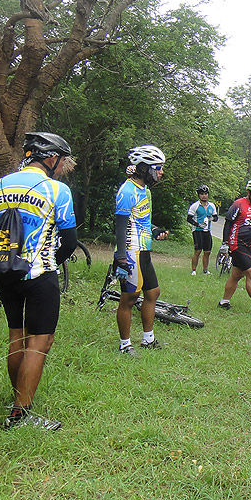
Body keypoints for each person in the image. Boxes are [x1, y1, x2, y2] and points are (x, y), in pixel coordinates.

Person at [0, 132, 77, 430]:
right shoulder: (57, 190)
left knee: (16, 336)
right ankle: (20, 414)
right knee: (40, 342)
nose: (63, 166)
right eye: (62, 160)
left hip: (5, 271)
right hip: (39, 274)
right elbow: (69, 241)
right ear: (51, 158)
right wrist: (50, 264)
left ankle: (17, 401)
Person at [114, 145, 170, 357]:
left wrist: (155, 231)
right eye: (158, 167)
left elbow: (141, 220)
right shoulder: (127, 190)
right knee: (129, 297)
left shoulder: (144, 191)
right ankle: (125, 344)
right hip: (131, 250)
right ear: (145, 168)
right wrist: (121, 257)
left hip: (144, 249)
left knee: (153, 292)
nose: (161, 172)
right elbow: (120, 226)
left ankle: (148, 339)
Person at [219, 179, 251, 314]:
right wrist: (225, 244)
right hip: (237, 244)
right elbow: (228, 223)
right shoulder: (239, 204)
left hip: (249, 245)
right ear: (249, 192)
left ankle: (224, 302)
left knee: (236, 275)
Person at [188, 184, 218, 275]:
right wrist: (197, 224)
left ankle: (205, 270)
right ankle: (193, 270)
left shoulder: (211, 206)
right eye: (202, 194)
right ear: (198, 195)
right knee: (198, 250)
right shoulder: (195, 206)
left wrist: (212, 218)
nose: (204, 196)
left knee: (207, 251)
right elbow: (189, 218)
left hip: (207, 230)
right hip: (197, 230)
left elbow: (216, 218)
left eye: (205, 194)